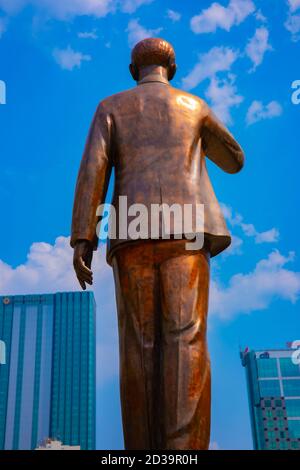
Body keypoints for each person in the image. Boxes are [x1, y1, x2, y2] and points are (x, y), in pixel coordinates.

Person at [71, 38, 244, 450]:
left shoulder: (110, 106)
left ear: (134, 70)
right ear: (174, 67)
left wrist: (83, 237)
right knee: (186, 338)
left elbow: (94, 168)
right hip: (187, 231)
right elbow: (235, 159)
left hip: (132, 231)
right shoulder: (194, 105)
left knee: (138, 342)